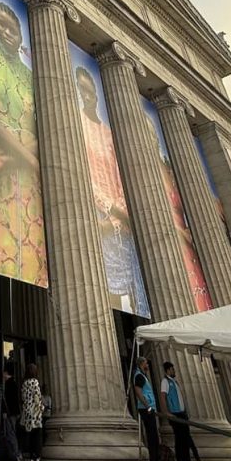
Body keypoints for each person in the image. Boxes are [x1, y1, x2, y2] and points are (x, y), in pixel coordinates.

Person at [0, 1, 47, 286]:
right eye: (2, 25)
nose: (8, 32)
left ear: (20, 33)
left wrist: (23, 159)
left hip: (28, 181)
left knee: (34, 263)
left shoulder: (32, 77)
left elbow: (43, 131)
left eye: (13, 27)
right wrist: (24, 158)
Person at [75, 66, 149, 316]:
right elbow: (82, 169)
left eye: (90, 90)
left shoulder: (108, 133)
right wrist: (113, 211)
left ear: (96, 92)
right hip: (99, 213)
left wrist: (122, 213)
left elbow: (119, 177)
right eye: (81, 90)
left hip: (123, 220)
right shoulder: (77, 124)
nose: (87, 95)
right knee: (106, 288)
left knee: (136, 288)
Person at [133, 355, 165, 461]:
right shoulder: (139, 376)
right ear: (142, 363)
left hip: (148, 408)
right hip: (146, 409)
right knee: (152, 439)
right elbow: (138, 391)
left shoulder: (142, 375)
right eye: (146, 362)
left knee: (154, 439)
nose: (148, 365)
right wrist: (148, 406)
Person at [160, 361, 193, 461]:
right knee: (179, 440)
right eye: (173, 369)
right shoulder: (165, 381)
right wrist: (166, 412)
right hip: (175, 414)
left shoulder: (175, 382)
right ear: (168, 370)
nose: (174, 371)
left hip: (182, 413)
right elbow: (163, 396)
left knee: (186, 439)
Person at [20, 362, 46, 461]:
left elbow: (23, 397)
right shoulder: (34, 382)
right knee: (38, 434)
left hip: (27, 411)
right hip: (35, 412)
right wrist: (41, 407)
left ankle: (30, 456)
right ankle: (37, 457)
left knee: (29, 434)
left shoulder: (24, 383)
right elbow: (37, 397)